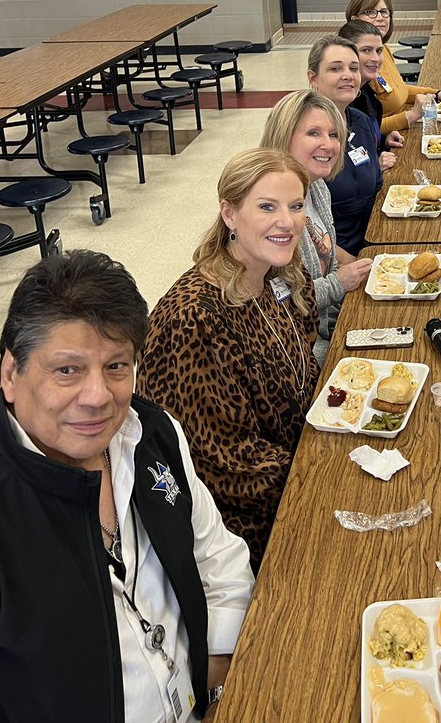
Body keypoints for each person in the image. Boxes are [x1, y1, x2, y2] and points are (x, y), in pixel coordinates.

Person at [0, 249, 254, 723]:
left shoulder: (152, 436)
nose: (98, 397)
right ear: (11, 374)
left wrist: (218, 673)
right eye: (67, 370)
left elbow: (220, 558)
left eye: (116, 366)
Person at [138, 149, 320, 568]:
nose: (287, 222)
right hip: (245, 527)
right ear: (229, 213)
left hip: (301, 462)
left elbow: (304, 367)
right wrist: (321, 474)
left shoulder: (281, 275)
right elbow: (228, 465)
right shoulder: (194, 319)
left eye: (295, 207)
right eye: (267, 207)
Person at [260, 89, 372, 364]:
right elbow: (276, 301)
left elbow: (328, 258)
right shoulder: (269, 207)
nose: (329, 144)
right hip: (299, 348)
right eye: (313, 133)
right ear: (284, 137)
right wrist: (339, 284)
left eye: (334, 135)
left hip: (328, 323)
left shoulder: (318, 187)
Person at [306, 34, 394, 256]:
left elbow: (375, 186)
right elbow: (302, 230)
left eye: (353, 68)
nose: (348, 75)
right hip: (335, 257)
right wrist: (352, 262)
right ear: (313, 78)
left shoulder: (360, 121)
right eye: (336, 69)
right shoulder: (303, 135)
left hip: (375, 238)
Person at [344, 0, 441, 136]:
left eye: (384, 12)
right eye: (370, 12)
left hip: (394, 134)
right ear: (354, 20)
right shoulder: (355, 67)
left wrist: (437, 94)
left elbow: (398, 90)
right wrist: (412, 115)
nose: (380, 17)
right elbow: (364, 128)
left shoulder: (383, 50)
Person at [338, 19, 405, 154]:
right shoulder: (341, 101)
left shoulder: (367, 92)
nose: (375, 58)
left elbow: (362, 143)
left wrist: (382, 141)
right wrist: (376, 164)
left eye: (379, 51)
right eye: (366, 50)